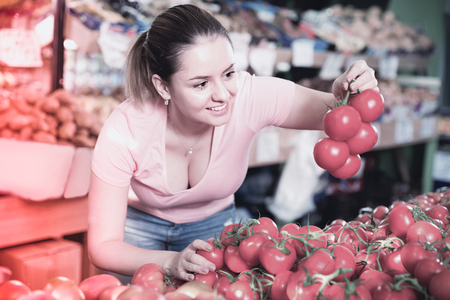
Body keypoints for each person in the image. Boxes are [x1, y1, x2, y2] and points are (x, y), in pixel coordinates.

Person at [87, 4, 379, 283]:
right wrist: (168, 261)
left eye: (228, 74)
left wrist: (349, 90)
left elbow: (336, 111)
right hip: (138, 237)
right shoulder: (126, 128)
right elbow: (102, 246)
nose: (223, 95)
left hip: (212, 230)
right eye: (201, 84)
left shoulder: (248, 97)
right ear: (163, 86)